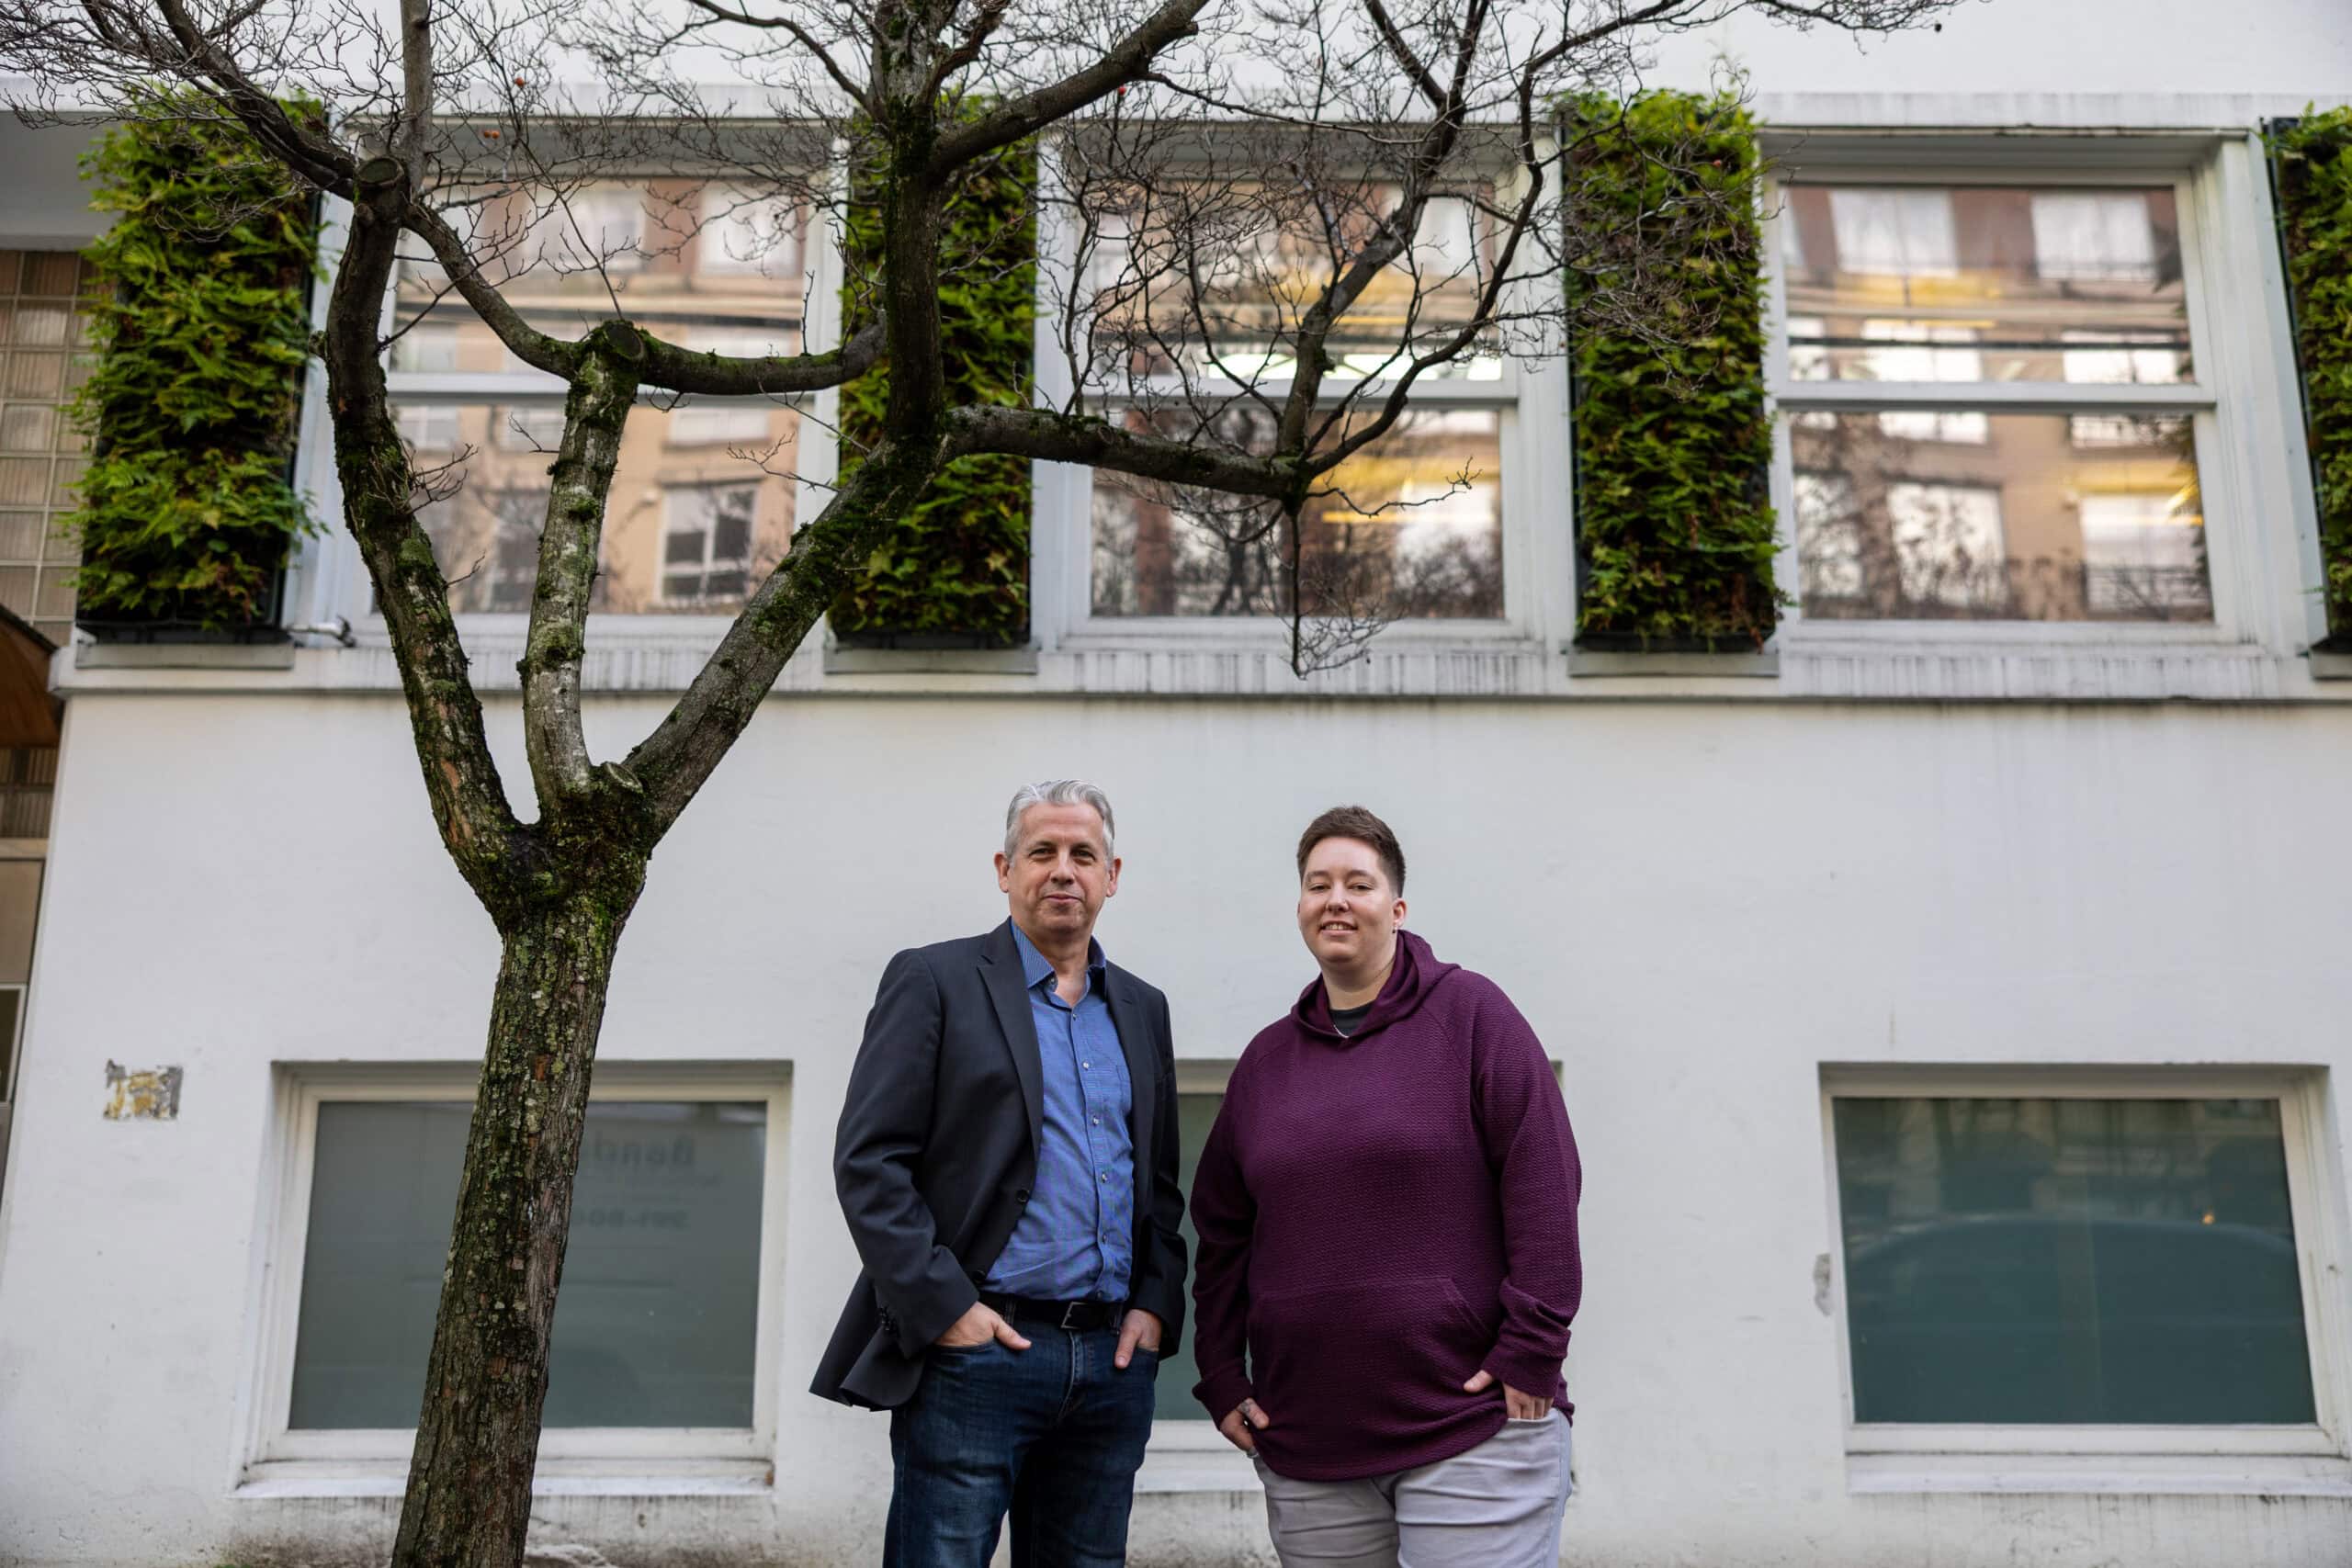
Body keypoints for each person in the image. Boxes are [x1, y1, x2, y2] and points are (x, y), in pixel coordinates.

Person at [1188, 805, 1582, 1568]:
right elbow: (1221, 1237)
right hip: (1309, 1445)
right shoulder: (1266, 1064)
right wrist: (1219, 1372)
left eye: (1358, 883)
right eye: (1317, 883)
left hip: (1472, 1429)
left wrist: (1532, 1348)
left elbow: (1545, 1178)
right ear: (1300, 905)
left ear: (1396, 909)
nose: (1336, 899)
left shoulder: (1473, 1017)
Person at [812, 780, 1187, 1568]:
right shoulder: (935, 980)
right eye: (1041, 851)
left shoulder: (1143, 1008)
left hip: (1110, 1366)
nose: (1062, 870)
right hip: (979, 1357)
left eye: (1083, 854)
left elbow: (1156, 1183)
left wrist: (1154, 1303)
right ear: (1004, 867)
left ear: (1112, 875)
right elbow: (870, 1161)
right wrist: (947, 1308)